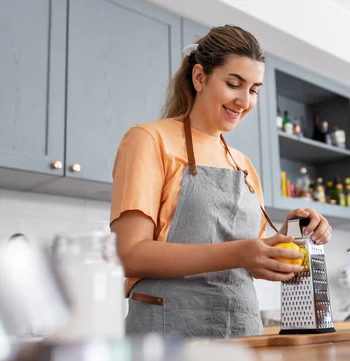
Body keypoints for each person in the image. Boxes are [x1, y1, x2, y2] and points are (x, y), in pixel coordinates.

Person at [110, 25, 332, 339]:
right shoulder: (149, 139)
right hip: (165, 339)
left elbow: (250, 261)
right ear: (199, 77)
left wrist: (290, 235)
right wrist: (241, 253)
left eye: (254, 89)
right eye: (233, 84)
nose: (244, 100)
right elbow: (129, 254)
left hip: (242, 334)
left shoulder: (243, 165)